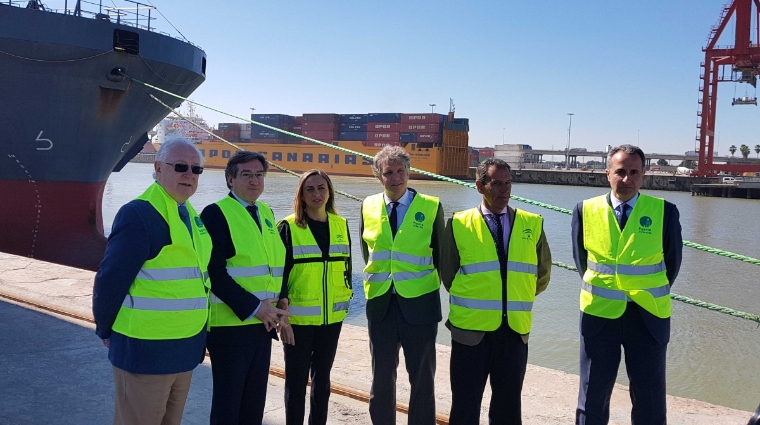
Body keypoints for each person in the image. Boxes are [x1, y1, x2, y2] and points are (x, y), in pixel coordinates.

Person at [93, 138, 210, 425]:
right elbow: (110, 280)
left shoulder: (190, 217)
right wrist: (106, 329)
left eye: (196, 170)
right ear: (158, 168)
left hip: (184, 350)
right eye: (180, 166)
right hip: (145, 351)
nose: (189, 175)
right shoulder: (140, 214)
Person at [572, 144, 682, 425]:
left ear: (643, 175)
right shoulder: (585, 210)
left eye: (634, 172)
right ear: (607, 173)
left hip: (648, 317)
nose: (627, 178)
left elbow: (672, 264)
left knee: (650, 400)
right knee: (592, 397)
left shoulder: (665, 212)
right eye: (620, 171)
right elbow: (582, 262)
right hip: (600, 315)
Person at [441, 158, 552, 424]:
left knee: (508, 408)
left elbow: (542, 273)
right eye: (497, 183)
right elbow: (448, 273)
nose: (504, 190)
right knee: (465, 406)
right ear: (480, 186)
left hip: (514, 333)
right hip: (471, 333)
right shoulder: (459, 223)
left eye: (508, 183)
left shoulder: (532, 222)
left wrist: (514, 296)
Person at [200, 150, 290, 425]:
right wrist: (255, 308)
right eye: (247, 175)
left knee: (253, 402)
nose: (255, 181)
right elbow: (214, 273)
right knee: (229, 403)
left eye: (259, 175)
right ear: (230, 179)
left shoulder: (265, 212)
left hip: (262, 324)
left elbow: (276, 261)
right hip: (230, 326)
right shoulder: (216, 214)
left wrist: (282, 298)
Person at [359, 145, 444, 425]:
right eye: (388, 173)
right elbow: (366, 251)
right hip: (381, 305)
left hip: (420, 307)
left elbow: (441, 255)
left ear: (409, 172)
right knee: (381, 377)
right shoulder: (367, 205)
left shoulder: (431, 206)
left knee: (421, 379)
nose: (395, 178)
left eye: (400, 171)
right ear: (378, 176)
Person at [277, 169, 353, 425]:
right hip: (297, 321)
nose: (316, 194)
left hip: (331, 319)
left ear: (330, 191)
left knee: (323, 382)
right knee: (296, 384)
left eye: (321, 188)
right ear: (301, 194)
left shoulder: (341, 225)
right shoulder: (288, 227)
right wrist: (282, 318)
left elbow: (347, 269)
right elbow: (279, 276)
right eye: (310, 189)